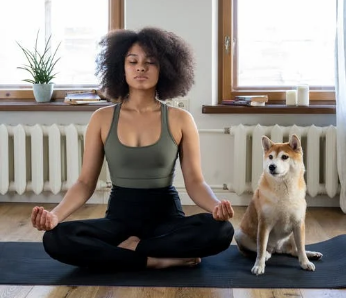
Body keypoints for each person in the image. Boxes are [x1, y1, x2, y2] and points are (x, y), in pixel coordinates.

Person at [31, 27, 235, 270]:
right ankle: (153, 259)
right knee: (56, 238)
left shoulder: (181, 119)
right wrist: (55, 216)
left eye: (150, 62)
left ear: (166, 69)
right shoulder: (101, 118)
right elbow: (85, 183)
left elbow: (195, 182)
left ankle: (131, 251)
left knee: (222, 230)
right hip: (119, 219)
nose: (141, 67)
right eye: (133, 61)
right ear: (121, 68)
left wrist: (215, 207)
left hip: (166, 218)